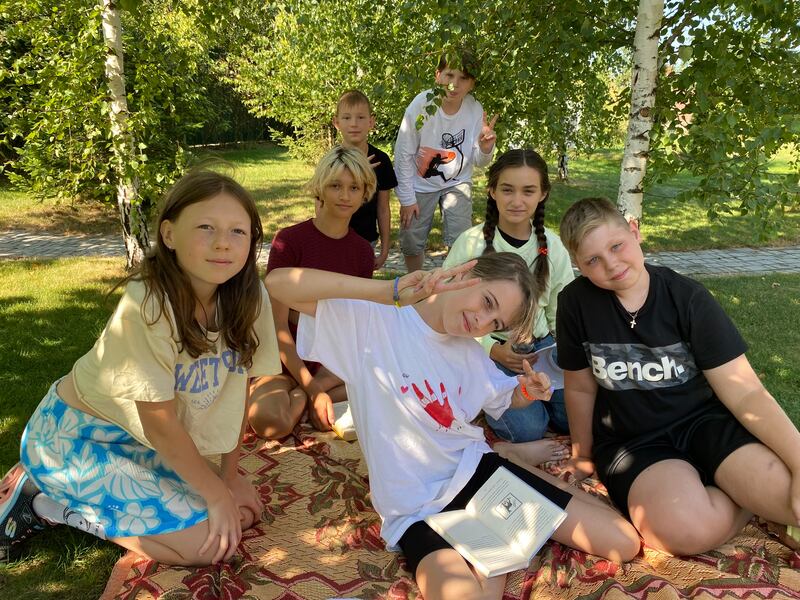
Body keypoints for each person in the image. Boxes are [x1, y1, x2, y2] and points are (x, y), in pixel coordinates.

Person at [265, 254, 640, 600]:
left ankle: (510, 465)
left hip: (477, 474)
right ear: (464, 274)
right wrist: (391, 290)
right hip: (415, 508)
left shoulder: (470, 354)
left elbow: (504, 399)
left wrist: (527, 391)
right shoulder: (374, 321)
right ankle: (509, 473)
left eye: (496, 324)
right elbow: (279, 282)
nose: (481, 322)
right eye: (488, 302)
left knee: (623, 542)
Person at [0, 170, 280, 565]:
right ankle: (43, 501)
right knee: (207, 546)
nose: (223, 243)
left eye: (238, 231)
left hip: (141, 441)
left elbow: (240, 392)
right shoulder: (147, 305)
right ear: (168, 234)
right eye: (205, 227)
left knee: (243, 514)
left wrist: (229, 478)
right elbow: (159, 422)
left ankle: (61, 495)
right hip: (75, 440)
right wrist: (216, 494)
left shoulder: (250, 297)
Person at [556, 197, 800, 556]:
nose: (611, 264)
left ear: (634, 232)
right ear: (578, 265)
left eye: (616, 246)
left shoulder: (688, 298)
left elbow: (745, 392)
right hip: (635, 444)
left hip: (706, 424)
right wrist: (581, 454)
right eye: (593, 260)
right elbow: (579, 387)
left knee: (791, 498)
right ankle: (742, 500)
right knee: (682, 532)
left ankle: (741, 487)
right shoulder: (575, 303)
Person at [443, 149, 574, 465]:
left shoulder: (552, 246)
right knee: (530, 428)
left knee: (575, 417)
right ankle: (500, 406)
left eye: (528, 191)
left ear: (542, 194)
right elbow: (445, 305)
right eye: (507, 189)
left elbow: (561, 310)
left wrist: (561, 355)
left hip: (542, 350)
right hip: (490, 352)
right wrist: (491, 348)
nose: (517, 200)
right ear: (491, 191)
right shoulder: (471, 244)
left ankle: (538, 401)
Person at [248, 146, 375, 439]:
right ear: (320, 187)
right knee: (270, 423)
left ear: (364, 192)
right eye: (335, 186)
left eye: (354, 187)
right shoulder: (290, 241)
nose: (345, 196)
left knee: (388, 388)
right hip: (283, 359)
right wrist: (313, 387)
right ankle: (307, 395)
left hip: (333, 361)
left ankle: (306, 398)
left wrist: (319, 383)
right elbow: (278, 326)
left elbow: (354, 322)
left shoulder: (362, 252)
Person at [394, 47, 498, 273]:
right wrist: (407, 197)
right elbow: (403, 154)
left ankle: (451, 284)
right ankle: (416, 284)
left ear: (472, 83)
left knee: (462, 240)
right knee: (412, 239)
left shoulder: (474, 109)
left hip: (457, 183)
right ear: (438, 75)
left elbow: (479, 161)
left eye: (463, 78)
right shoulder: (421, 106)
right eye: (449, 75)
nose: (455, 84)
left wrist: (485, 147)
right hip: (419, 184)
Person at [333, 89, 398, 270]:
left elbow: (384, 209)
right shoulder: (330, 160)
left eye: (360, 118)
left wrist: (385, 249)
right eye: (346, 118)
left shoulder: (381, 161)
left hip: (366, 239)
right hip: (334, 237)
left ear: (371, 122)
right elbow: (321, 204)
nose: (354, 124)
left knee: (361, 293)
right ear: (336, 122)